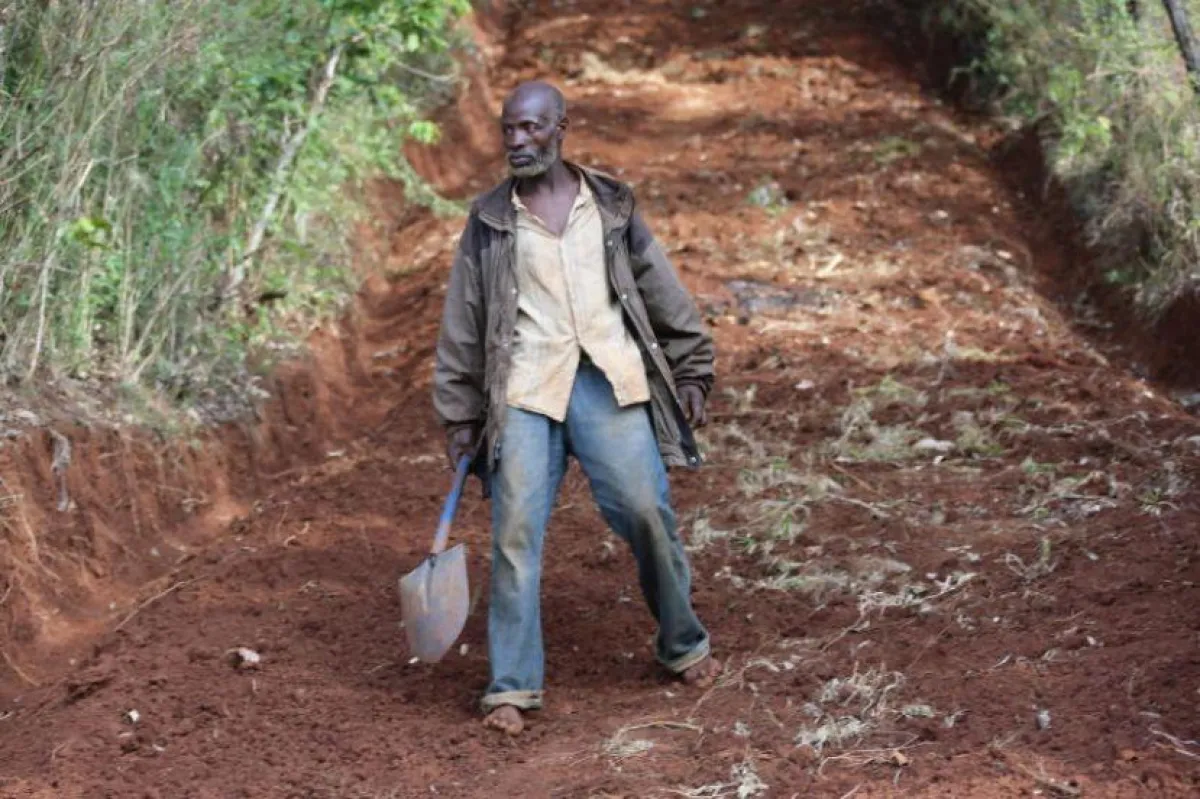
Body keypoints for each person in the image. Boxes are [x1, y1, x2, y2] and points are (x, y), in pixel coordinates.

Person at [432, 80, 721, 736]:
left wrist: (693, 368)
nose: (518, 141)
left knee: (646, 509)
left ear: (561, 128)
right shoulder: (490, 220)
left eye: (531, 128)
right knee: (514, 532)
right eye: (509, 130)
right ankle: (511, 685)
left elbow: (659, 286)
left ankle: (682, 642)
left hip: (608, 378)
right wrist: (460, 416)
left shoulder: (612, 205)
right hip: (526, 389)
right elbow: (463, 321)